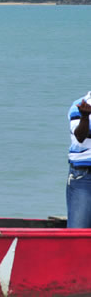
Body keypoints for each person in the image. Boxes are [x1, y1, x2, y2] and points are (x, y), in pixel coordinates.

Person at [66, 92, 91, 228]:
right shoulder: (81, 105)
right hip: (85, 175)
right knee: (79, 229)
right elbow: (80, 137)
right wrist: (85, 117)